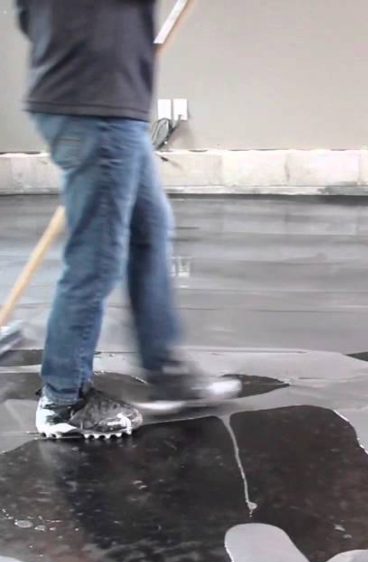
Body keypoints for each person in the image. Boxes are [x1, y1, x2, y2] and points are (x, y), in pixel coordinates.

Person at [15, 0, 241, 440]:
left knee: (149, 231)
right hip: (94, 105)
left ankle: (166, 371)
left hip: (109, 103)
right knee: (97, 255)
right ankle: (65, 400)